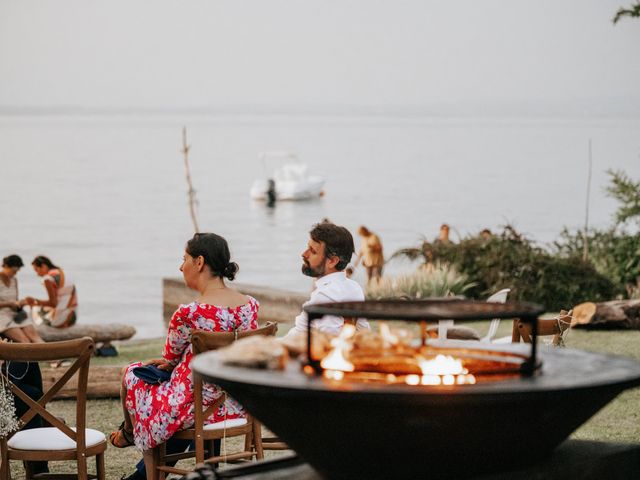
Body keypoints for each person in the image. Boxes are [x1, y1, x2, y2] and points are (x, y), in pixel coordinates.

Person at [110, 232, 259, 479]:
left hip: (197, 406)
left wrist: (169, 364)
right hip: (237, 401)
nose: (181, 266)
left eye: (184, 259)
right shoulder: (250, 306)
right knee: (175, 387)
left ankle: (141, 459)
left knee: (133, 376)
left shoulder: (189, 313)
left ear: (199, 262)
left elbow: (170, 356)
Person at [285, 222, 369, 337]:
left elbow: (329, 341)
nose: (304, 254)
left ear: (332, 261)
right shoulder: (354, 287)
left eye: (313, 251)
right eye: (307, 247)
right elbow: (364, 331)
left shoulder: (325, 296)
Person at [0, 255, 43, 343]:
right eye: (14, 271)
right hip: (2, 315)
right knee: (25, 340)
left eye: (17, 271)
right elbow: (10, 303)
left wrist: (21, 303)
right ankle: (34, 355)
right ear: (6, 266)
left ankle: (51, 355)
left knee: (36, 338)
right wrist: (9, 304)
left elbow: (15, 301)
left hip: (15, 314)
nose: (15, 273)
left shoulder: (14, 280)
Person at [25, 256, 77, 328]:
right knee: (43, 308)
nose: (37, 274)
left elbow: (53, 303)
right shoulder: (61, 272)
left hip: (61, 320)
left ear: (43, 266)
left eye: (37, 270)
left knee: (34, 309)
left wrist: (34, 301)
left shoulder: (48, 279)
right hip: (73, 316)